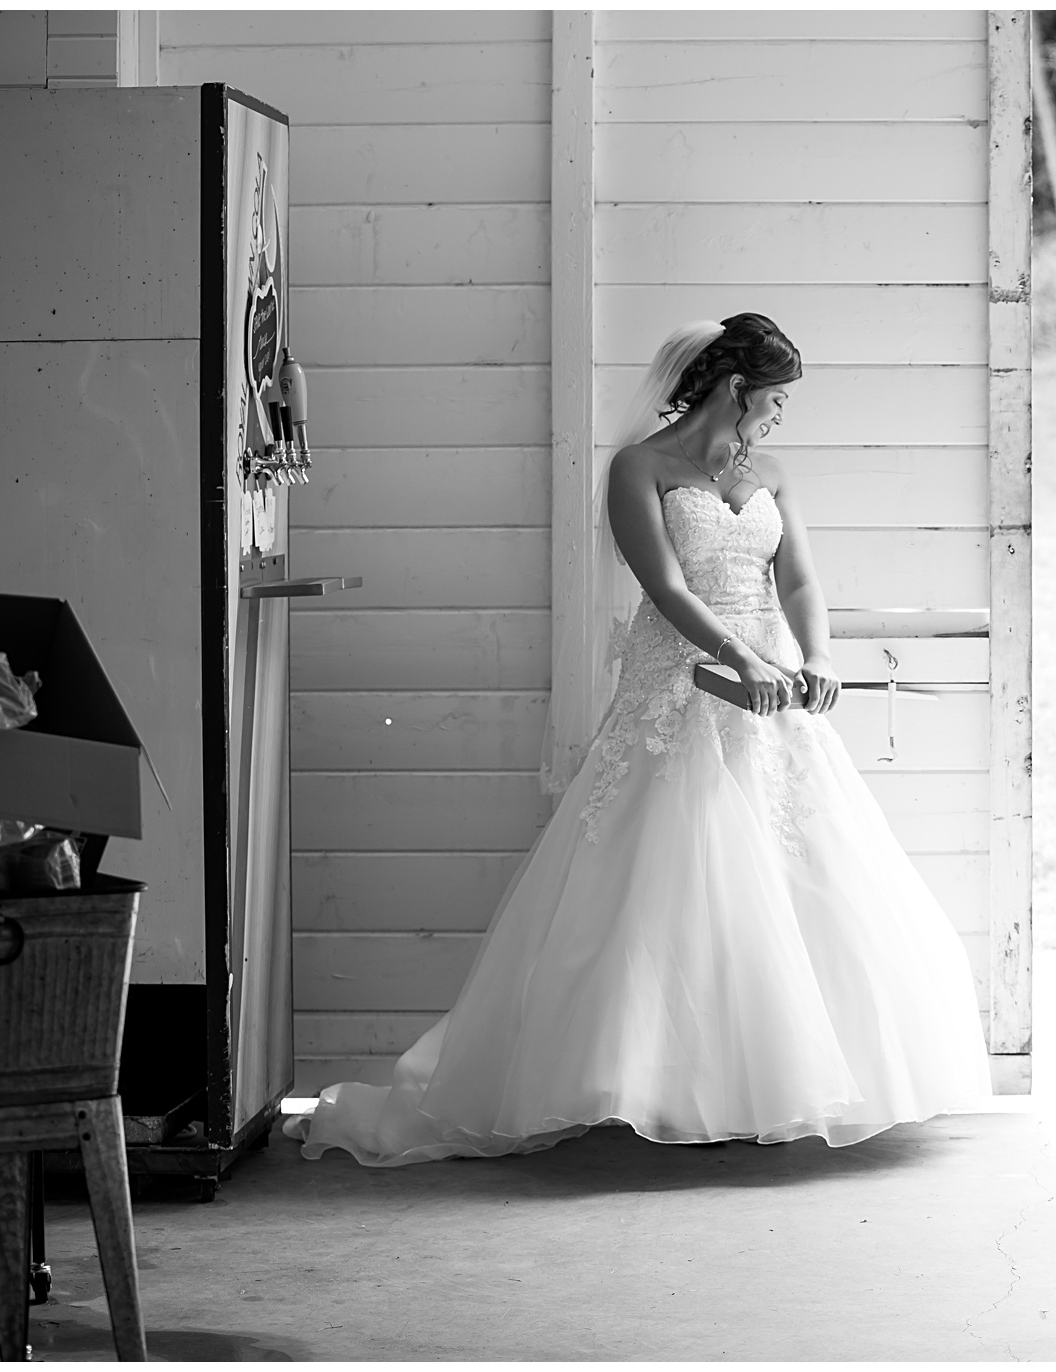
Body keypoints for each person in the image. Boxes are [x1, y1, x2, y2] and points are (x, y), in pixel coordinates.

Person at [284, 314, 993, 1165]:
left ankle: (771, 1083)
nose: (779, 417)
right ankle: (662, 1087)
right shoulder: (638, 470)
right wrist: (740, 654)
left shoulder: (771, 473)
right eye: (775, 399)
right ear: (735, 389)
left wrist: (817, 654)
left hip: (772, 699)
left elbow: (797, 576)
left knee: (789, 874)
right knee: (673, 880)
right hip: (681, 690)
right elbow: (661, 585)